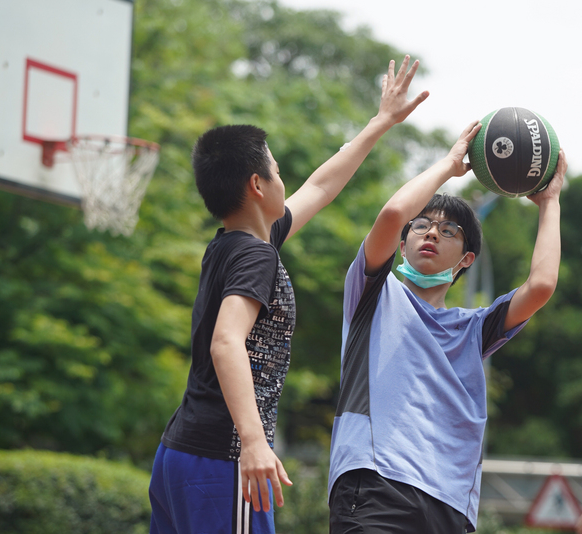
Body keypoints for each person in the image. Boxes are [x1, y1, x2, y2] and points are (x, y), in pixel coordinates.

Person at [148, 56, 429, 534]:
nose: (285, 181)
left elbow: (320, 185)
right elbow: (225, 342)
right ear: (257, 186)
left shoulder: (236, 244)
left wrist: (381, 122)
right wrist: (253, 443)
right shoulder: (256, 256)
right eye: (276, 171)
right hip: (224, 459)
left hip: (180, 456)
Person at [327, 114, 567, 533]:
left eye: (449, 230)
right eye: (422, 226)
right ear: (403, 245)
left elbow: (542, 285)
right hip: (376, 483)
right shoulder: (373, 295)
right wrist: (450, 165)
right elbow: (392, 213)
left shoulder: (474, 330)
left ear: (466, 260)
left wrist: (550, 203)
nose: (432, 233)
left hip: (451, 504)